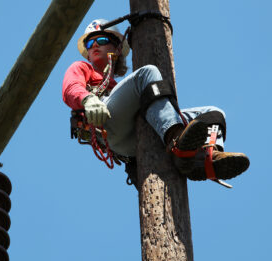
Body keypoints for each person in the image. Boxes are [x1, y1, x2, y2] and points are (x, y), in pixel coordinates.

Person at [62, 19, 249, 182]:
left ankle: (206, 159)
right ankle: (176, 139)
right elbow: (70, 87)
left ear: (117, 49)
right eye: (90, 43)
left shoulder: (118, 87)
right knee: (147, 73)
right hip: (105, 125)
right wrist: (87, 100)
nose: (94, 45)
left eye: (101, 40)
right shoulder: (82, 67)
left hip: (131, 140)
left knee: (212, 114)